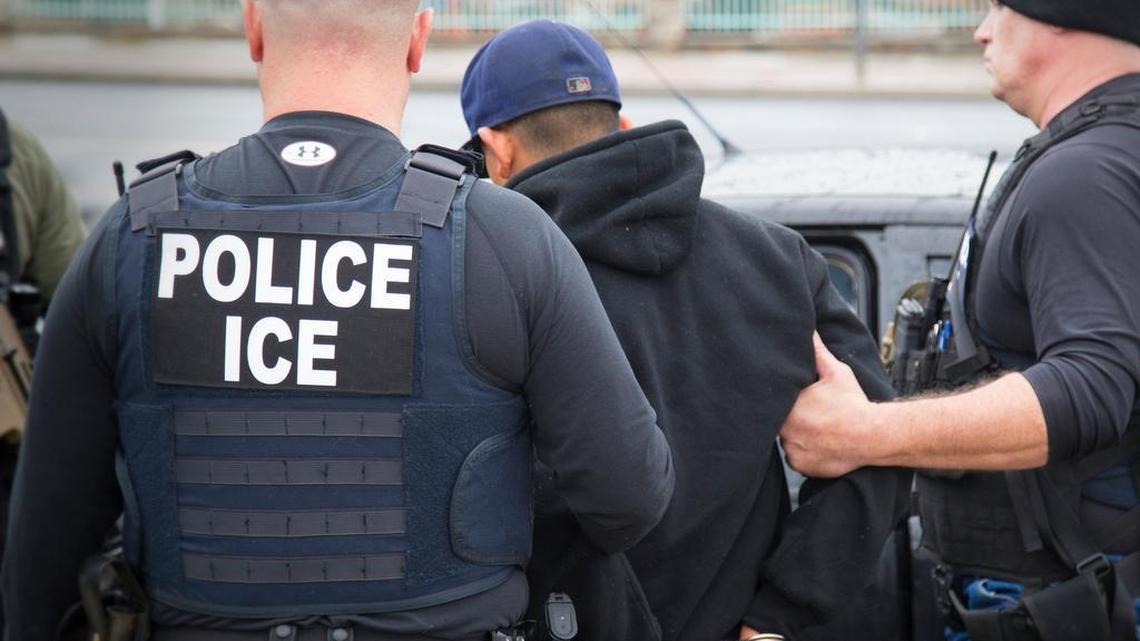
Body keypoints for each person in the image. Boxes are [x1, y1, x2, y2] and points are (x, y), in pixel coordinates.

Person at [1, 3, 675, 641]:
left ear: (254, 28)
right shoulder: (506, 237)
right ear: (417, 39)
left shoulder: (130, 239)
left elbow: (44, 549)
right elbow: (629, 496)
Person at [459, 20, 911, 641]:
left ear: (496, 149)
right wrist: (777, 620)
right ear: (621, 127)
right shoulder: (777, 260)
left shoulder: (491, 274)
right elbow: (879, 452)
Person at [780, 2, 1140, 640]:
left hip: (1064, 599)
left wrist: (865, 432)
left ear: (1059, 17)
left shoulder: (1085, 176)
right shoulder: (1108, 153)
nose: (981, 29)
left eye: (1001, 8)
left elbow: (1092, 387)